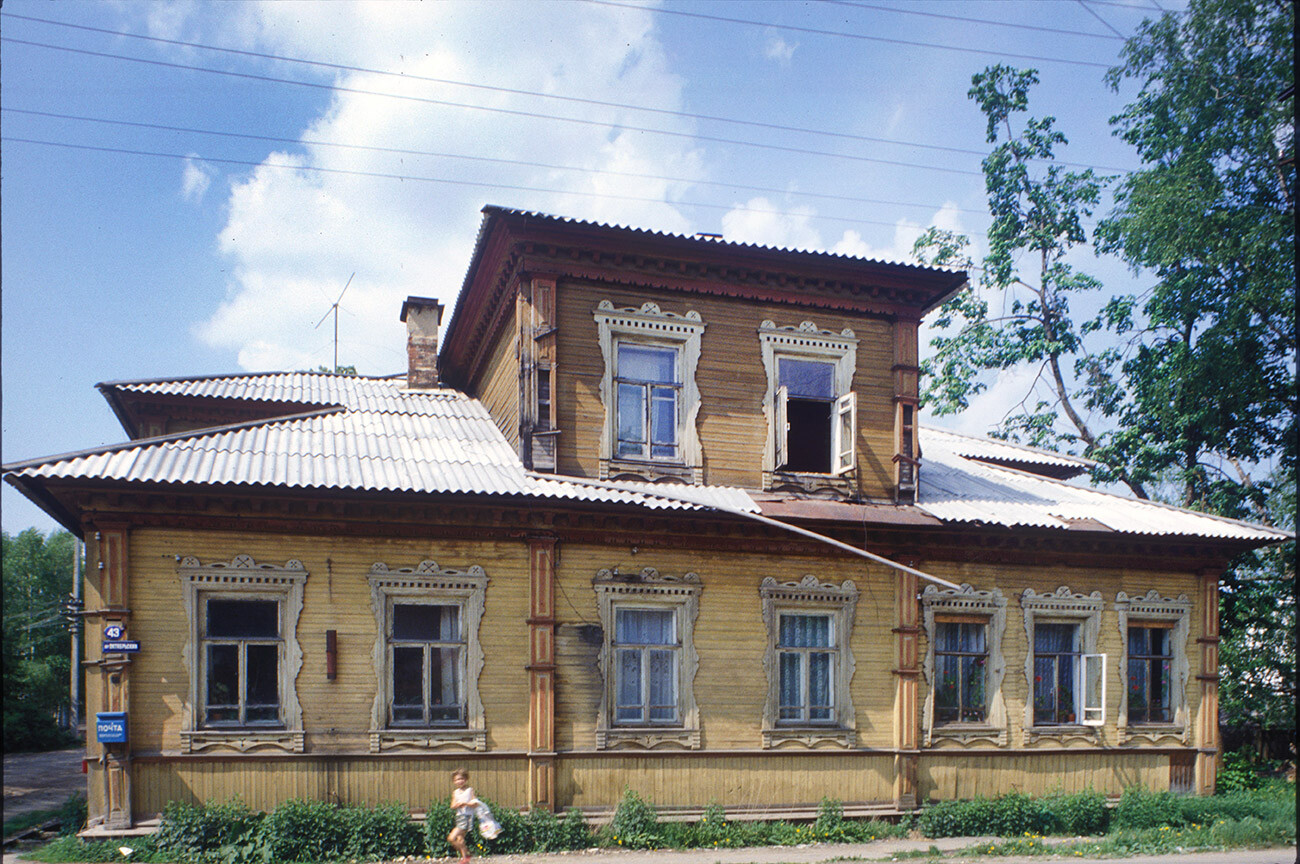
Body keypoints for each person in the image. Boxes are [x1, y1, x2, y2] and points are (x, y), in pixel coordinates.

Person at [448, 768, 479, 864]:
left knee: (451, 838)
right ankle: (465, 858)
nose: (460, 781)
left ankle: (466, 854)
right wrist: (457, 804)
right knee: (460, 839)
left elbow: (475, 803)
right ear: (454, 781)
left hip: (467, 817)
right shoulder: (455, 792)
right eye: (457, 779)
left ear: (466, 779)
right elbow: (452, 806)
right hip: (459, 817)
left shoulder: (469, 790)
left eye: (461, 779)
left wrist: (466, 803)